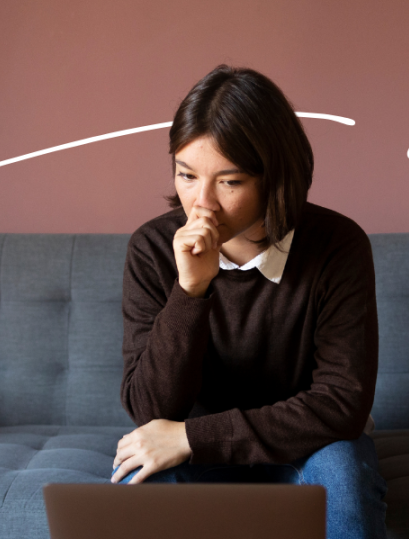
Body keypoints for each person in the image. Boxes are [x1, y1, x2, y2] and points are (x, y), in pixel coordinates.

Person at [110, 64, 387, 539]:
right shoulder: (153, 249)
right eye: (187, 175)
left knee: (343, 471)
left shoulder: (338, 246)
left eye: (230, 182)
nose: (202, 204)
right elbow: (151, 407)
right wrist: (189, 292)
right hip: (190, 453)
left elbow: (342, 404)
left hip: (307, 444)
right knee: (137, 482)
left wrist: (192, 435)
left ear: (274, 177)